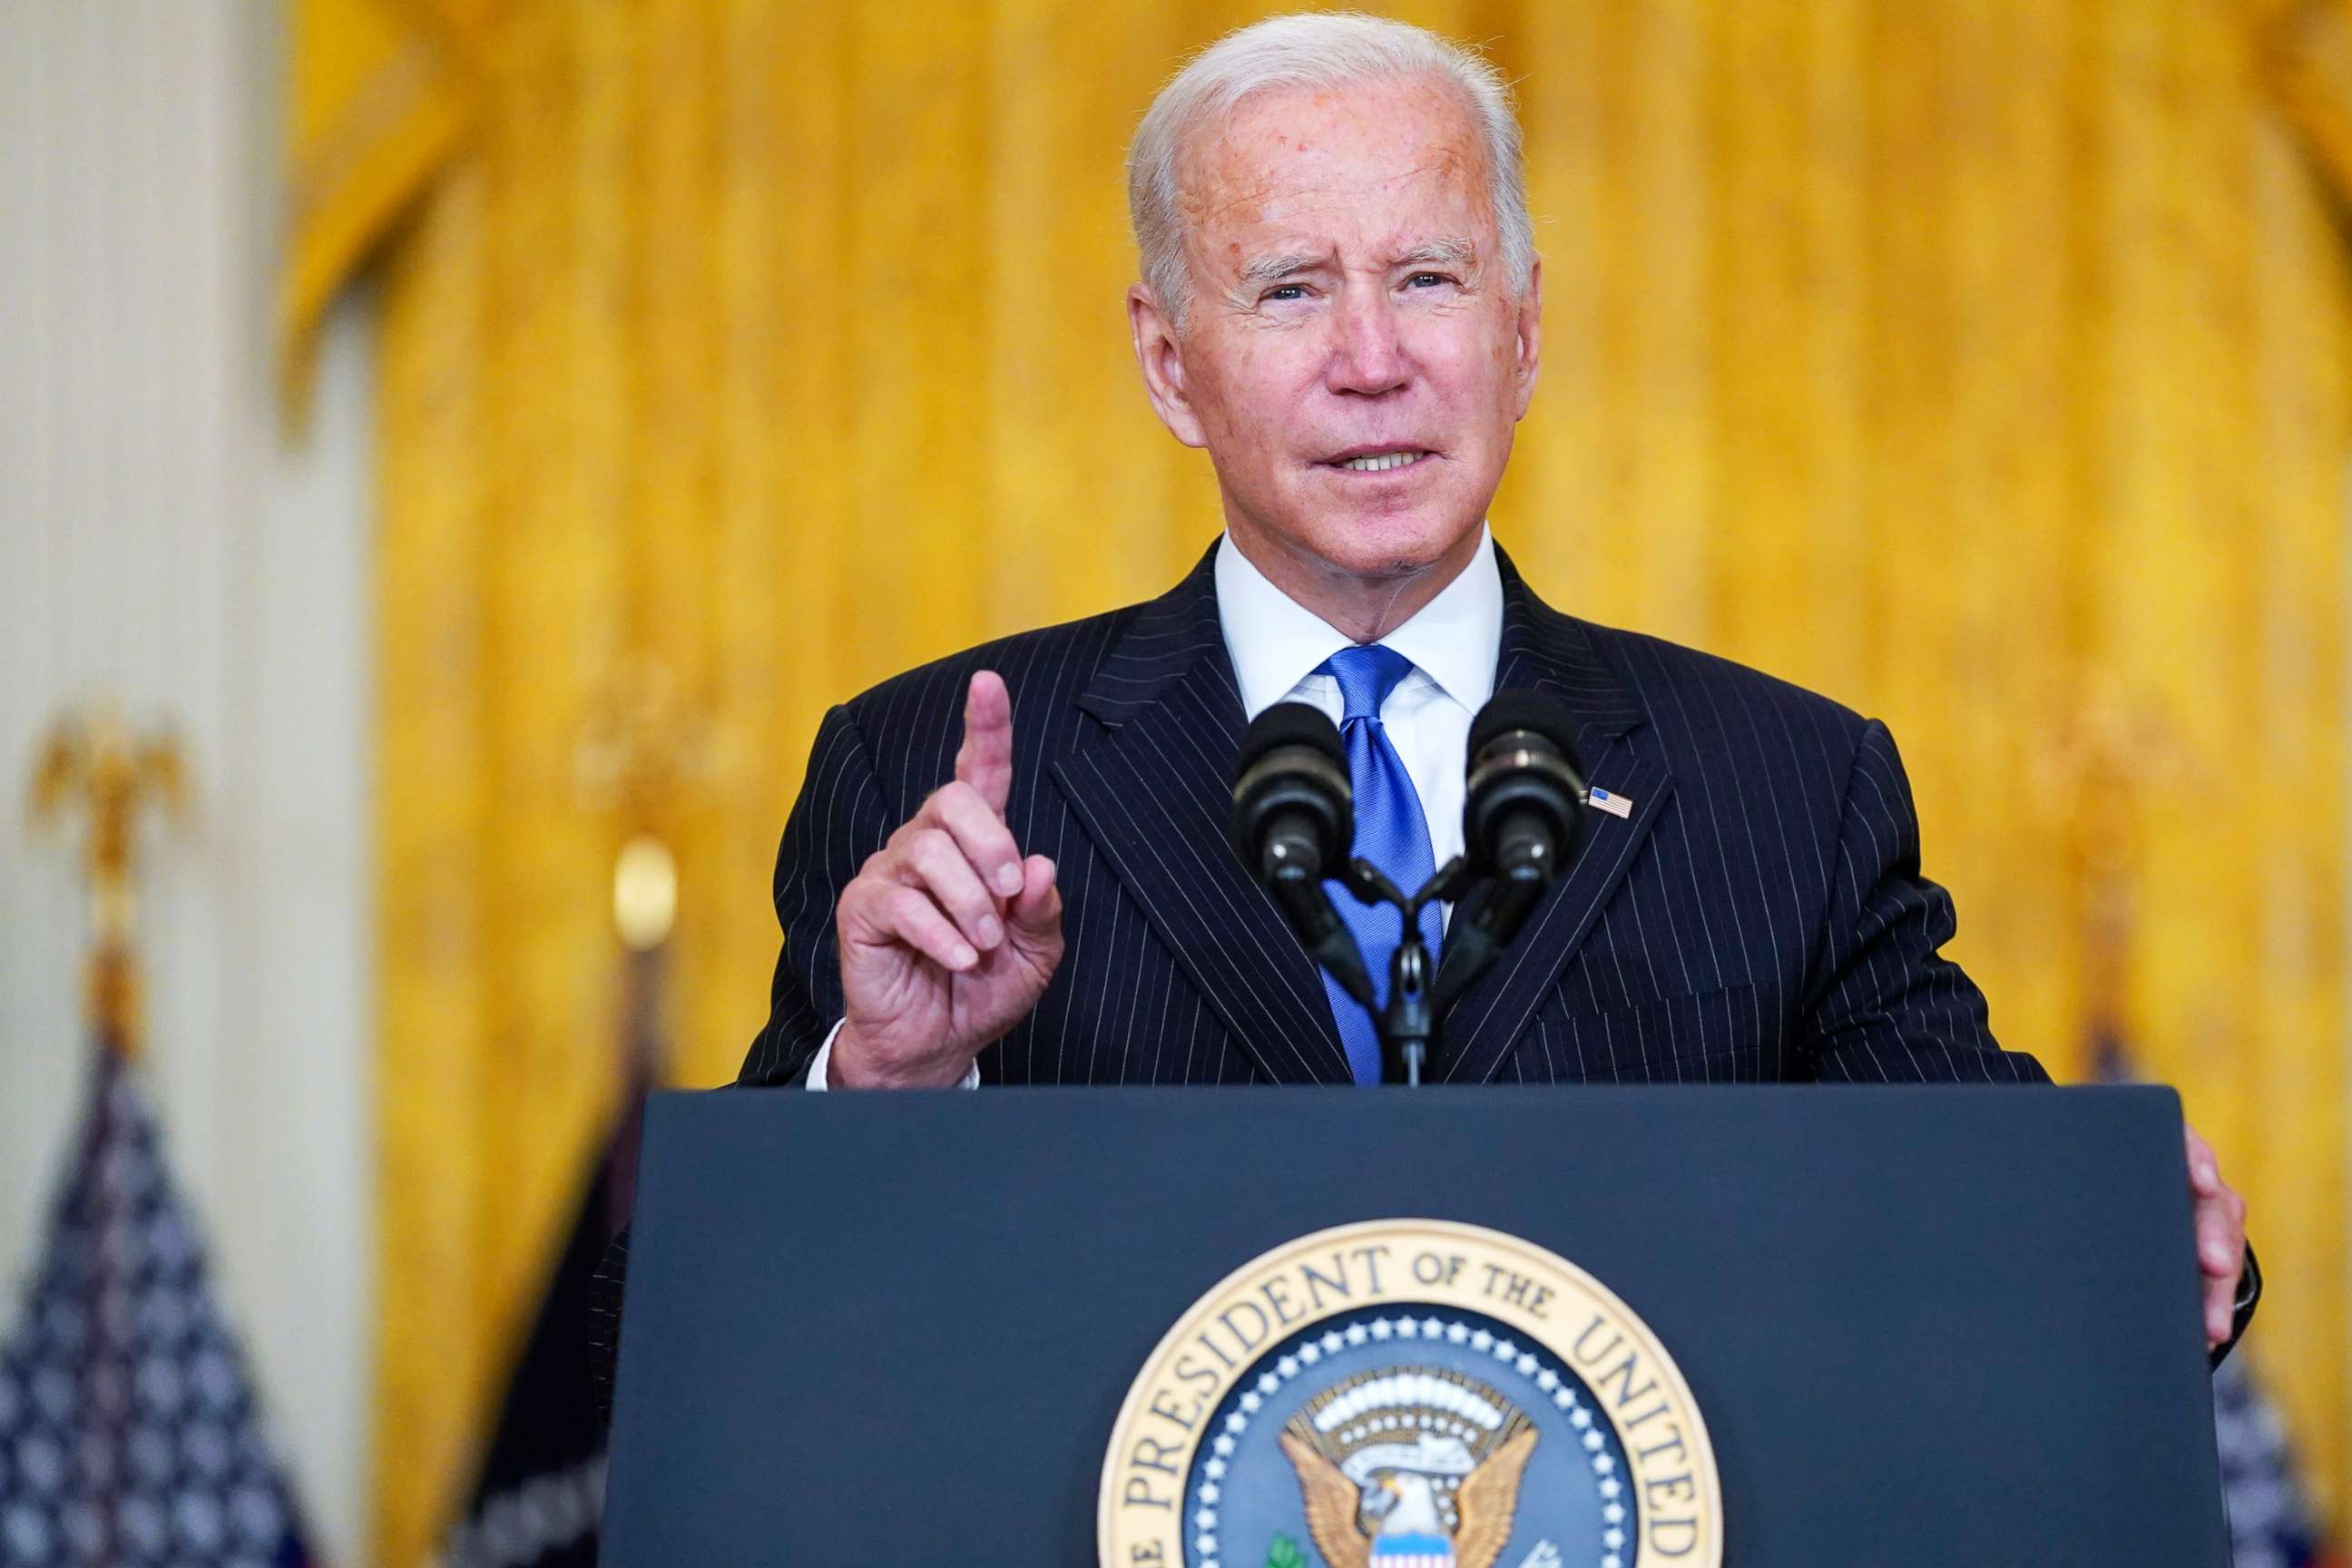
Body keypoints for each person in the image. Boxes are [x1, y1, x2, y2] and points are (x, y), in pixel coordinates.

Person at [734, 13, 2254, 1355]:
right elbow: (682, 1345)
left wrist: (2135, 1241)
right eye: (1287, 292)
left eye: (1430, 277)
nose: (1374, 358)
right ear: (1167, 361)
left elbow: (1979, 1212)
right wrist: (883, 1088)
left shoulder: (1785, 787)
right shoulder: (928, 776)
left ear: (1523, 328)